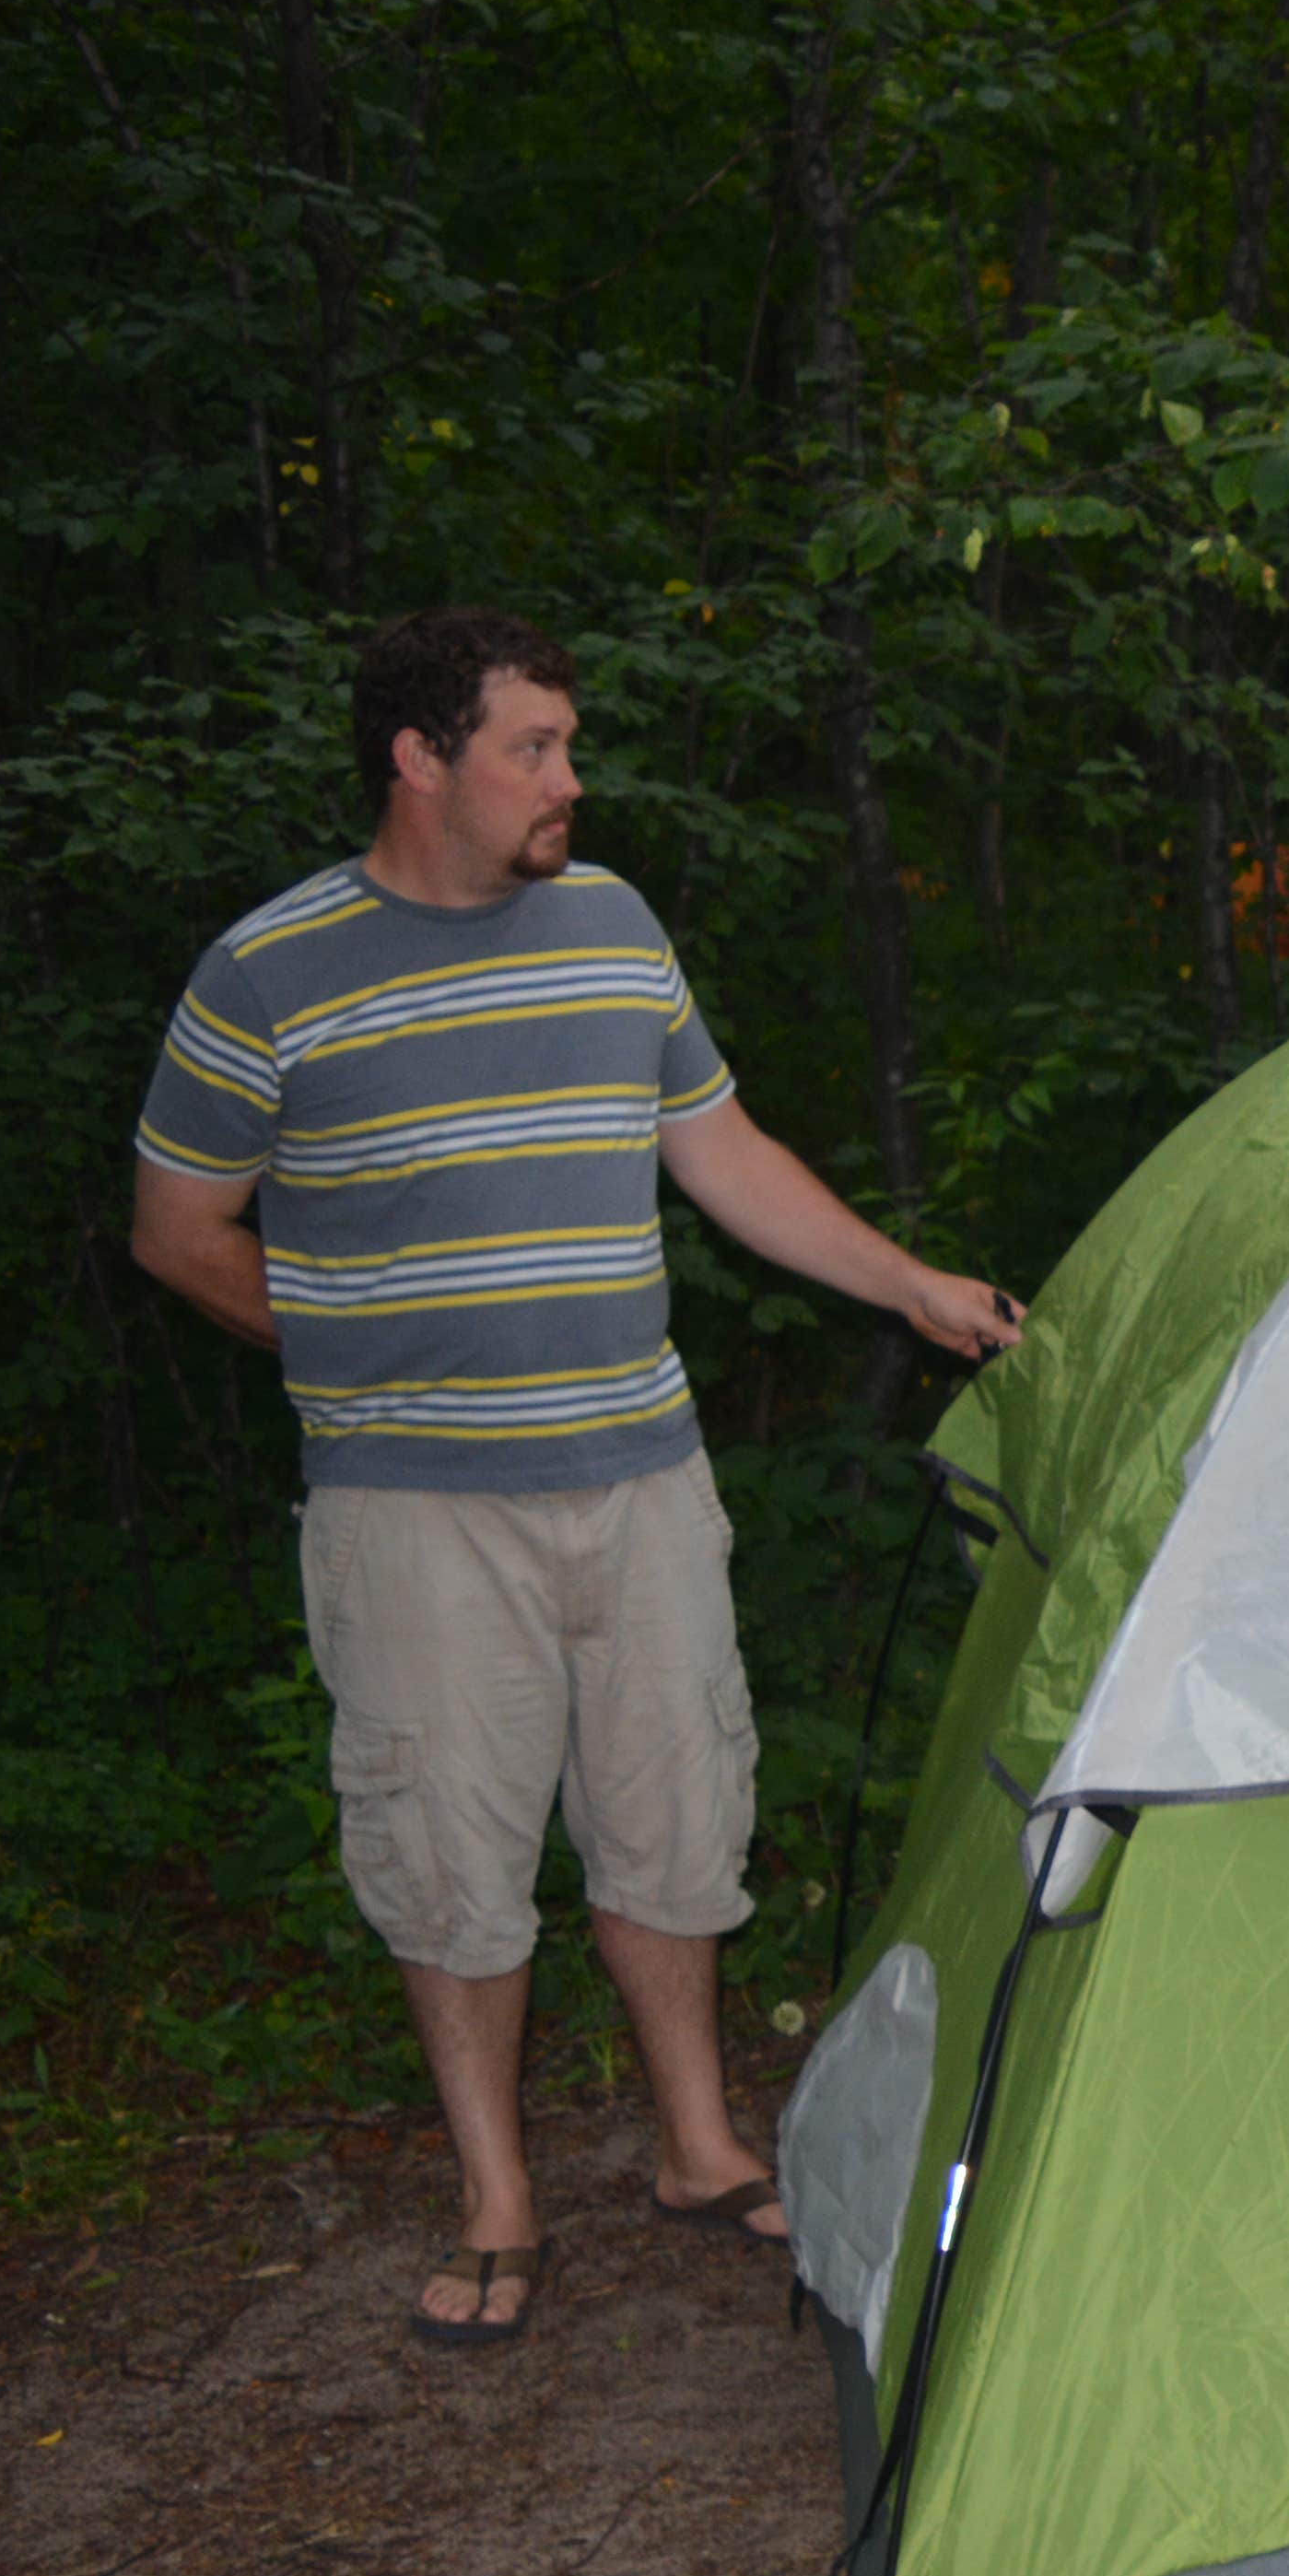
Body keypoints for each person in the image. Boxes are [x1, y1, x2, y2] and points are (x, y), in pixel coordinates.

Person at [127, 605, 1018, 2351]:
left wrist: (908, 1282)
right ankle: (497, 2196)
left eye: (566, 742)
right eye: (532, 747)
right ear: (418, 759)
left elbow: (723, 1150)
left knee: (678, 1818)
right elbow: (177, 1232)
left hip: (643, 1479)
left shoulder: (611, 930)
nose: (569, 779)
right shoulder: (271, 971)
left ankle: (696, 2145)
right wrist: (352, 1355)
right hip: (415, 1514)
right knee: (452, 1854)